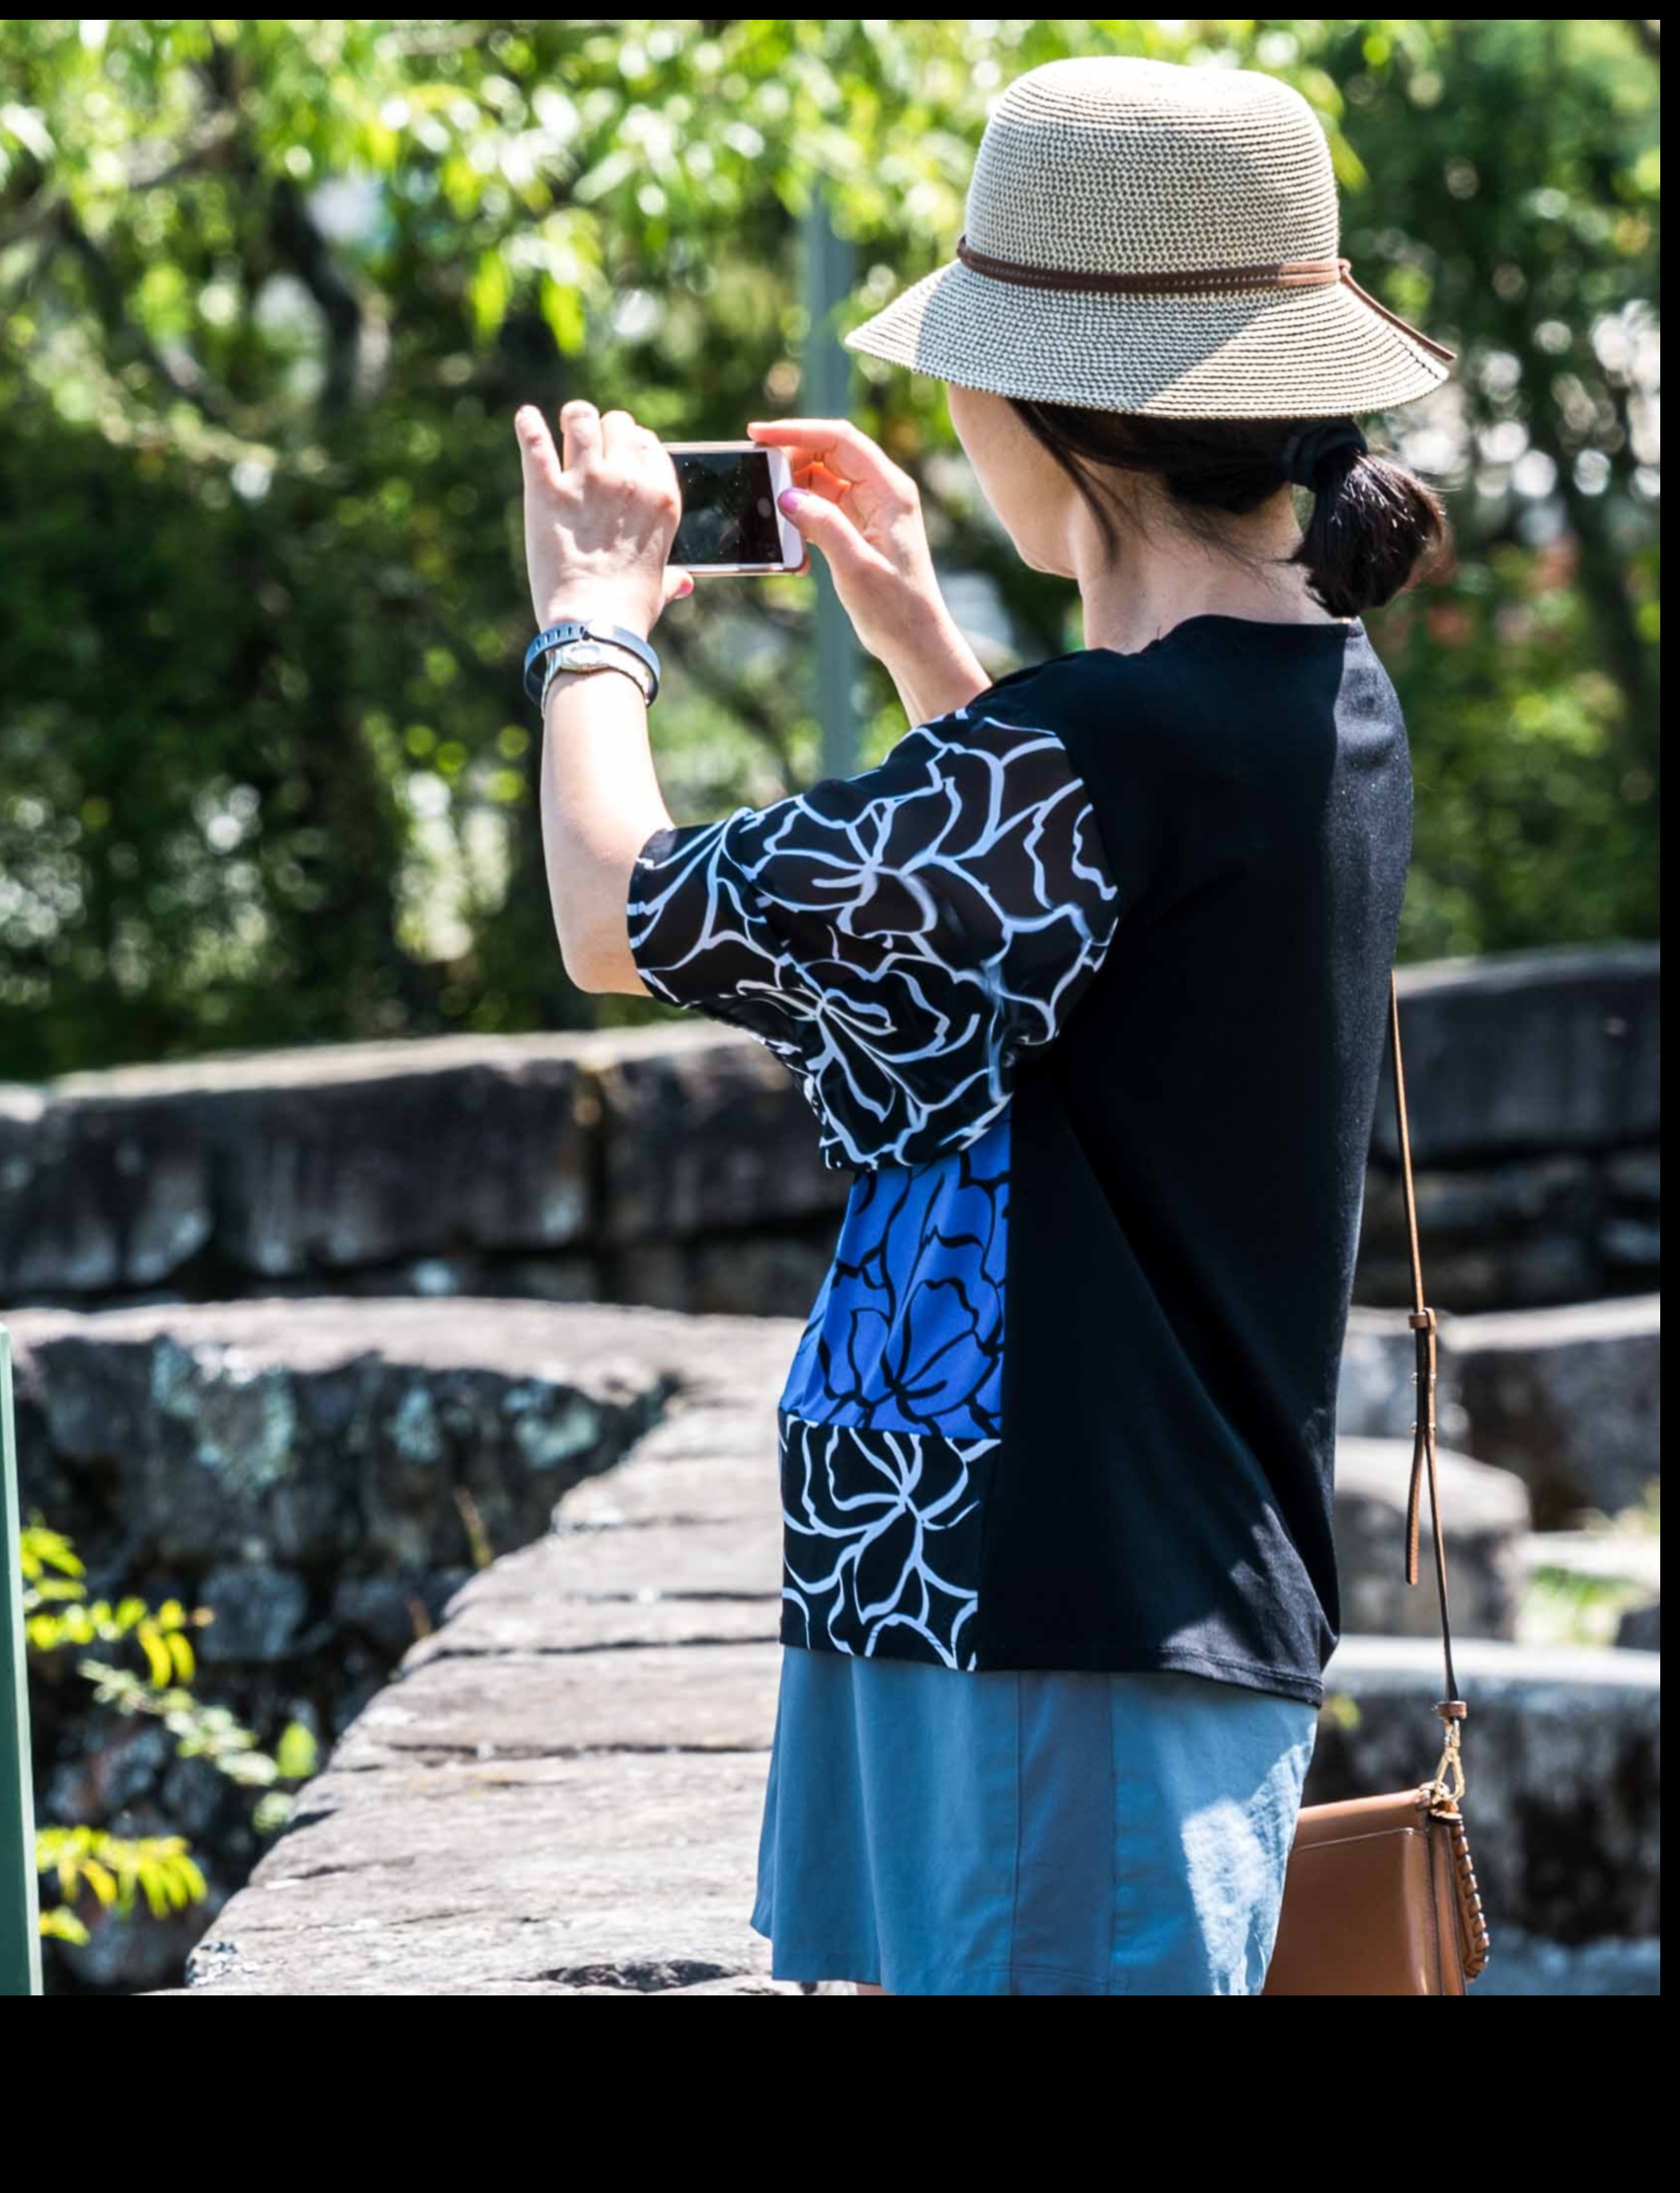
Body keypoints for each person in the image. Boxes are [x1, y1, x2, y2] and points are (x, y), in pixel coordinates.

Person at [515, 55, 1455, 1995]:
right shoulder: (1316, 697)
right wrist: (913, 629)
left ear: (1050, 414)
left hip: (1048, 1617)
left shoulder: (1088, 759)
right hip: (1076, 1597)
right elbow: (1082, 933)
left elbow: (614, 915)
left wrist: (589, 620)